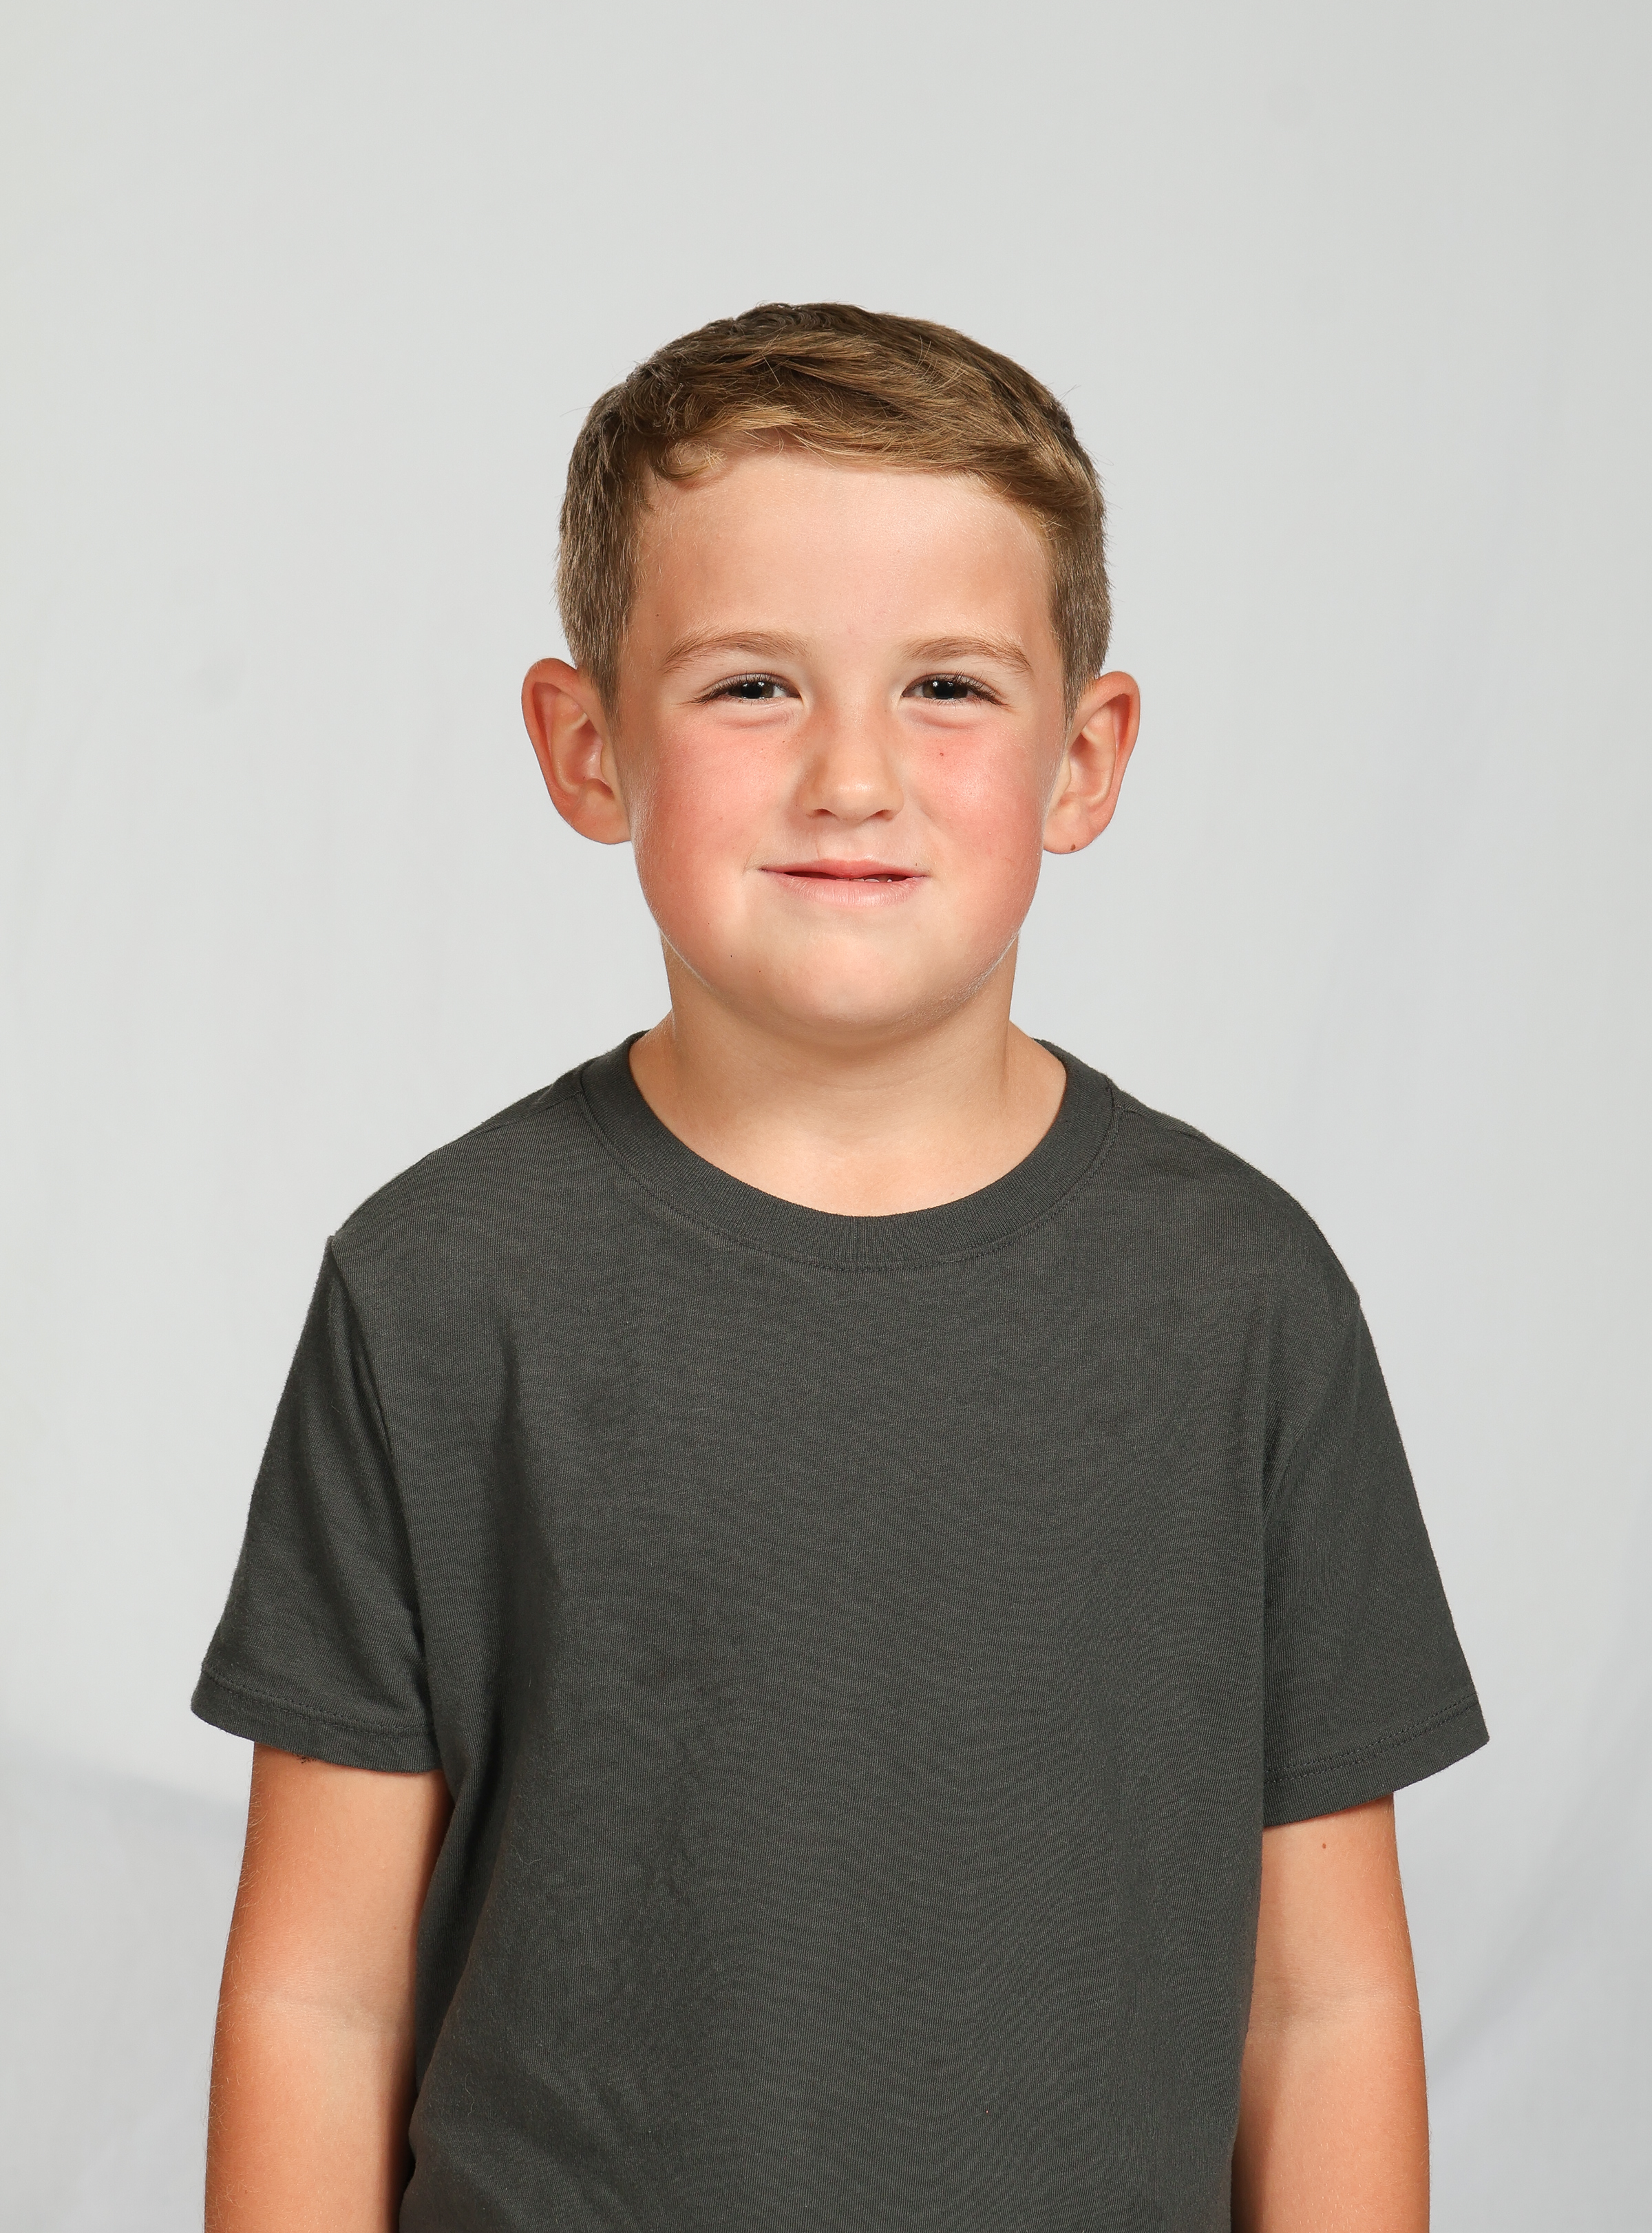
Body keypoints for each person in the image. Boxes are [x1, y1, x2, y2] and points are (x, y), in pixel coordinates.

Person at [195, 302, 1486, 2232]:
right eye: (752, 687)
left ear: (1084, 759)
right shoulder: (440, 1288)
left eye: (948, 686)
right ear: (586, 748)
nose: (853, 776)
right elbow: (320, 1995)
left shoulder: (1242, 1300)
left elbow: (1323, 2008)